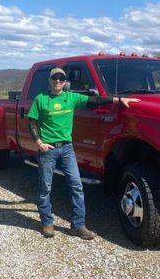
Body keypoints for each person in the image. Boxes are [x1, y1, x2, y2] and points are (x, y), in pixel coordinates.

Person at [27, 67, 140, 239]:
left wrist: (117, 99)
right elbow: (32, 122)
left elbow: (94, 101)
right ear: (49, 80)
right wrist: (39, 143)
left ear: (65, 82)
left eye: (61, 78)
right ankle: (47, 222)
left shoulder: (71, 97)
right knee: (45, 188)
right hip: (47, 149)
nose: (58, 81)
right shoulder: (40, 99)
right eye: (55, 78)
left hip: (66, 149)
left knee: (76, 186)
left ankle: (78, 225)